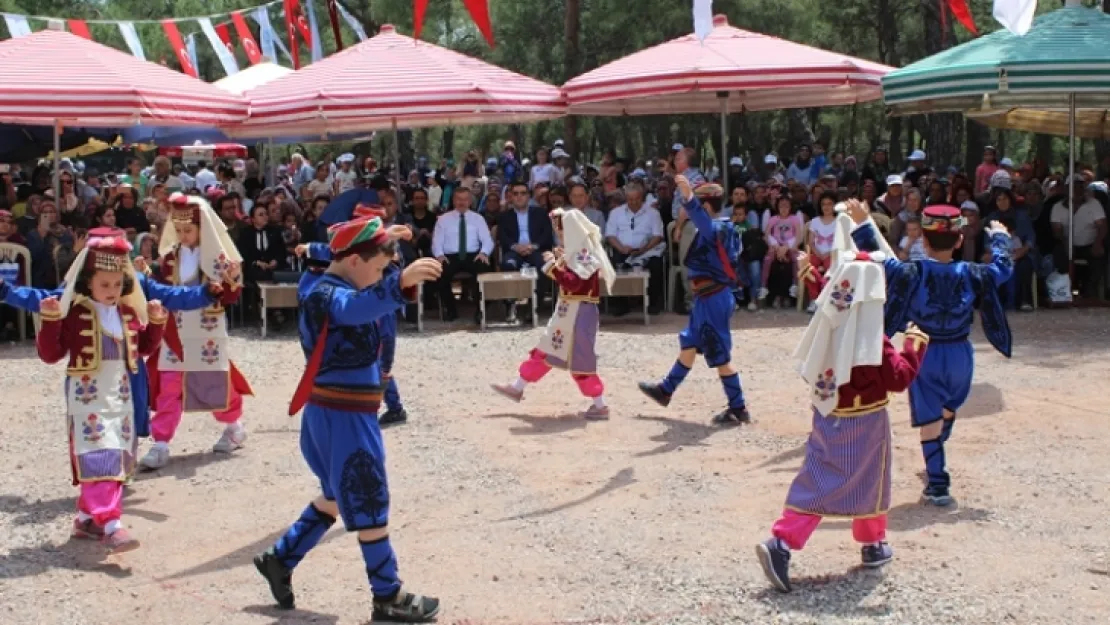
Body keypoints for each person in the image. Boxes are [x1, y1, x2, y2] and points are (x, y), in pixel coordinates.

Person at [254, 216, 443, 622]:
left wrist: (386, 242)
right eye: (377, 269)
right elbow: (354, 308)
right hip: (346, 419)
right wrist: (399, 283)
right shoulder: (329, 295)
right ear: (356, 262)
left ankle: (281, 558)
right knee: (370, 502)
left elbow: (339, 252)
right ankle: (387, 597)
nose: (380, 276)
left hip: (330, 414)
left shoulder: (331, 279)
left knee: (339, 496)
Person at [756, 243, 929, 593]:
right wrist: (914, 342)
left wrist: (811, 274)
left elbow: (831, 297)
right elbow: (899, 378)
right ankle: (787, 543)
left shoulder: (831, 322)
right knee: (865, 479)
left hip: (827, 412)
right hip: (866, 420)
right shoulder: (872, 340)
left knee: (820, 474)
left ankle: (870, 543)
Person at [848, 200, 1012, 506]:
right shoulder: (973, 273)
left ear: (923, 240)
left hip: (923, 351)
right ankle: (937, 450)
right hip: (961, 354)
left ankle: (938, 484)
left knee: (930, 420)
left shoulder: (911, 272)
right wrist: (1000, 238)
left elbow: (879, 257)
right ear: (960, 240)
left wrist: (863, 222)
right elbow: (1003, 268)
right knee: (949, 407)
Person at [26, 235, 167, 551]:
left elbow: (143, 348)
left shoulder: (127, 314)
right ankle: (111, 523)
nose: (112, 291)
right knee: (98, 453)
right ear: (88, 282)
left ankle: (86, 519)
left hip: (120, 396)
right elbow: (51, 355)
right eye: (105, 284)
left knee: (118, 453)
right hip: (86, 397)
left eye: (118, 284)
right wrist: (49, 321)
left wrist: (156, 323)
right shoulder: (75, 313)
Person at [141, 194, 253, 470]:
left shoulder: (219, 259)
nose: (182, 236)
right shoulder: (170, 257)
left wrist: (233, 279)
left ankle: (233, 426)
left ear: (202, 228)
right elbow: (157, 286)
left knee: (212, 382)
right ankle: (161, 442)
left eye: (188, 230)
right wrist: (145, 273)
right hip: (175, 329)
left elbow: (229, 298)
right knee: (169, 385)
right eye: (178, 231)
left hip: (207, 330)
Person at [638, 179, 750, 425]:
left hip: (713, 299)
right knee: (690, 344)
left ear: (706, 206)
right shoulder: (725, 228)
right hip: (707, 298)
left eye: (698, 205)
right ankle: (665, 390)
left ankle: (738, 408)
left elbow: (702, 222)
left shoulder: (716, 230)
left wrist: (688, 197)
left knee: (721, 357)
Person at [490, 208, 616, 419]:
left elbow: (574, 283)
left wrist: (552, 266)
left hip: (579, 314)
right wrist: (559, 262)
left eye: (562, 231)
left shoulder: (584, 254)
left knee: (580, 360)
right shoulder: (579, 253)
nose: (560, 235)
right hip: (570, 312)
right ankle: (517, 386)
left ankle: (600, 405)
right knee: (545, 349)